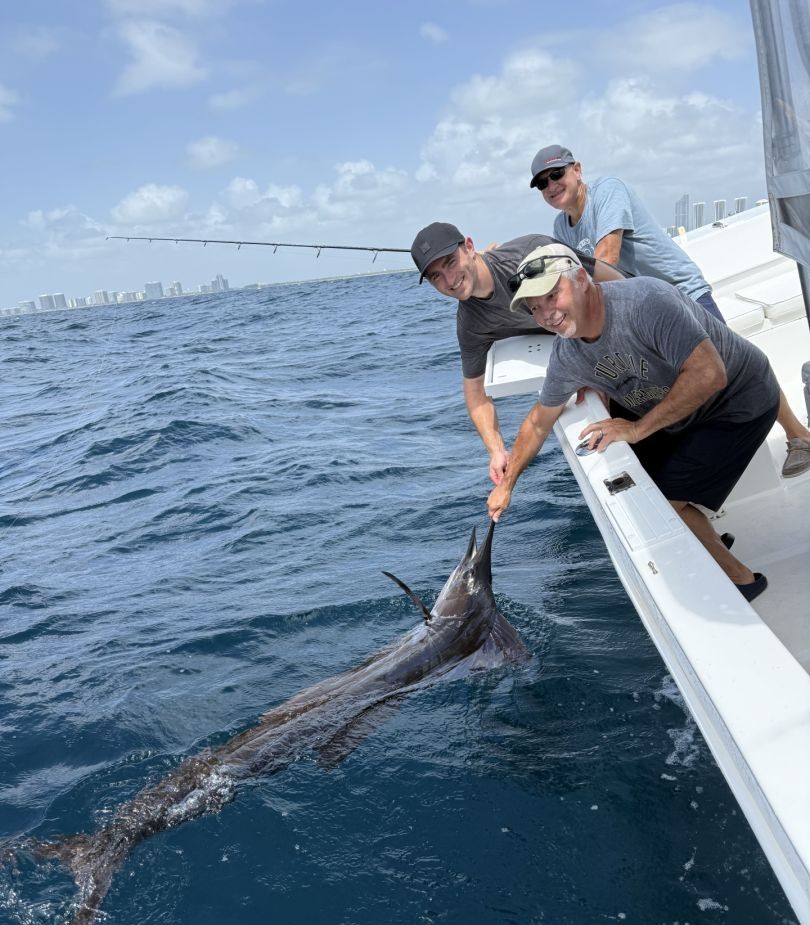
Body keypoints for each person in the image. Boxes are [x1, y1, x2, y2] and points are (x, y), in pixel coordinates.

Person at [487, 242, 780, 602]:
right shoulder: (568, 354)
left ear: (581, 278)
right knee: (640, 480)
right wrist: (508, 484)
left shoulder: (645, 302)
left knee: (664, 501)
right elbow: (537, 422)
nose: (546, 314)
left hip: (739, 400)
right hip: (685, 413)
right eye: (534, 308)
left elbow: (709, 374)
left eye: (551, 296)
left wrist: (638, 429)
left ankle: (741, 580)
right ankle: (710, 539)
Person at [528, 144, 810, 478]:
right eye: (542, 183)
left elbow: (607, 257)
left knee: (737, 367)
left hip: (681, 292)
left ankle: (798, 435)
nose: (551, 185)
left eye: (556, 174)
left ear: (577, 169)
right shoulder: (562, 228)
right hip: (644, 315)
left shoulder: (608, 191)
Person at [410, 222, 626, 486]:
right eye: (435, 277)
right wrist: (496, 450)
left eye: (450, 262)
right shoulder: (470, 322)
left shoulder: (530, 252)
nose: (449, 280)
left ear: (469, 247)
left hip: (614, 333)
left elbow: (608, 278)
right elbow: (475, 394)